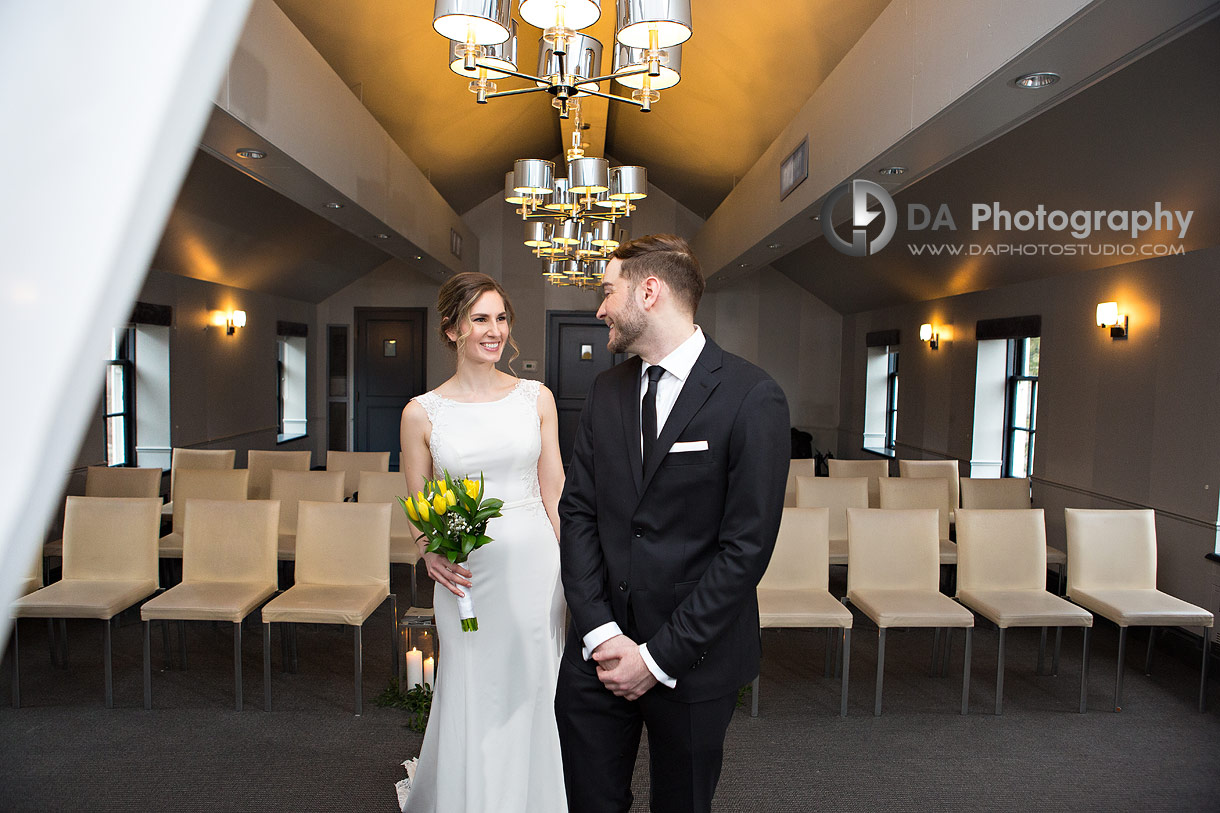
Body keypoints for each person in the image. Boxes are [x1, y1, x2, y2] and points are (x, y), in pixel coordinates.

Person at [556, 234, 789, 813]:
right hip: (597, 653)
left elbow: (746, 549)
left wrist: (657, 659)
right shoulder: (606, 390)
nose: (600, 308)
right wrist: (601, 632)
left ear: (649, 291)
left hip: (693, 658)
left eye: (608, 292)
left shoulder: (751, 395)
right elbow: (579, 511)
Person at [398, 272, 567, 813]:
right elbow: (418, 502)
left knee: (534, 681)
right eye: (480, 319)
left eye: (500, 318)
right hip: (465, 576)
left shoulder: (536, 399)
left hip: (537, 567)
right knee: (471, 683)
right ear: (451, 329)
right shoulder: (421, 412)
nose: (493, 331)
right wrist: (429, 554)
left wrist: (575, 569)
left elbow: (555, 488)